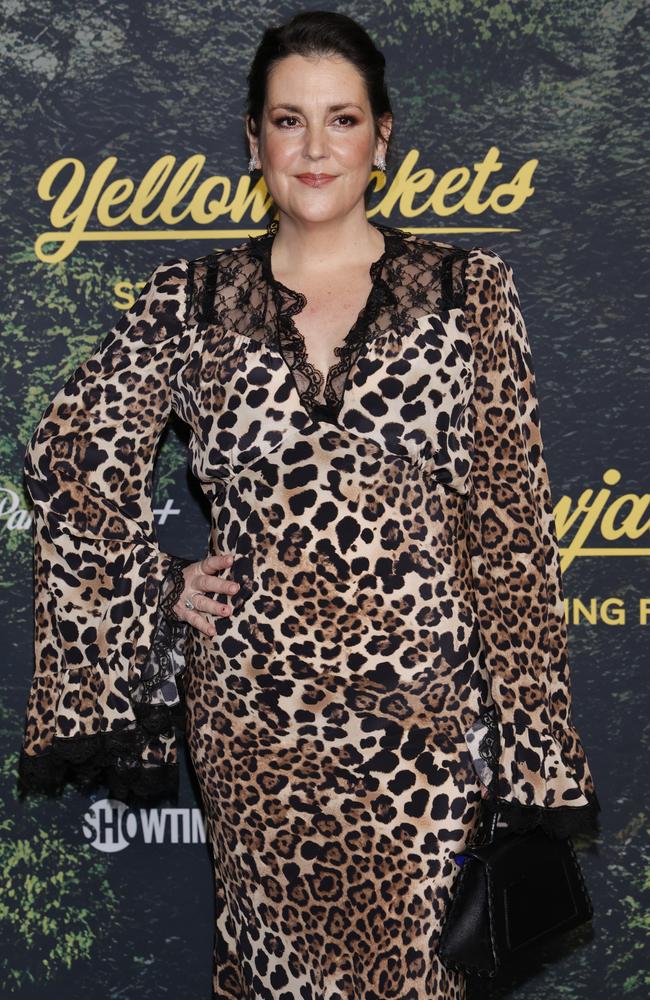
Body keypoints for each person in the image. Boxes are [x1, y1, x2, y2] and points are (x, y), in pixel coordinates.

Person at [18, 10, 601, 1000]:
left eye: (340, 119)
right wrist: (158, 583)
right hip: (256, 727)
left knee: (418, 978)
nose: (315, 148)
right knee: (274, 974)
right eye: (289, 121)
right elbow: (65, 456)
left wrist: (533, 750)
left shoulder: (467, 293)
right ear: (253, 140)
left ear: (383, 135)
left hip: (424, 723)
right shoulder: (189, 299)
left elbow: (509, 534)